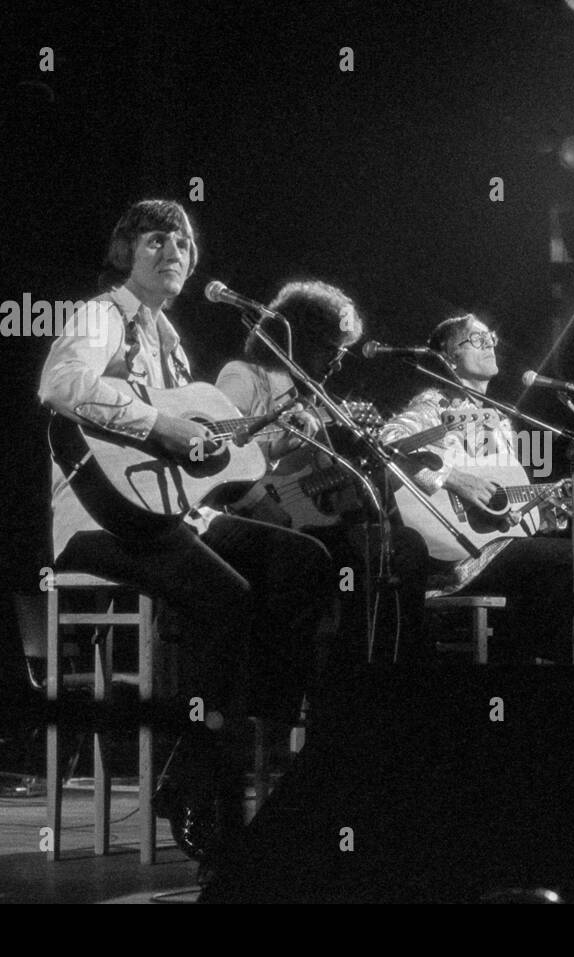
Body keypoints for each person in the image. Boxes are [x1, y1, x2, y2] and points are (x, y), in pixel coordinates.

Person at [37, 200, 335, 877]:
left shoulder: (168, 338)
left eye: (185, 241)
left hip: (168, 511)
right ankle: (201, 781)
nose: (174, 248)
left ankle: (255, 743)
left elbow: (200, 446)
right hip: (95, 518)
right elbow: (61, 386)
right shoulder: (100, 315)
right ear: (124, 250)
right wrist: (157, 428)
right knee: (226, 598)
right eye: (156, 238)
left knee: (303, 560)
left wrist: (248, 440)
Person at [215, 279, 431, 667]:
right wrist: (270, 468)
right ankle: (339, 682)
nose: (338, 361)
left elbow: (326, 491)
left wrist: (361, 483)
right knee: (361, 557)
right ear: (296, 340)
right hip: (249, 518)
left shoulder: (317, 400)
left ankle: (377, 676)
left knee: (401, 546)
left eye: (343, 351)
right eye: (331, 348)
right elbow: (220, 453)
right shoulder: (245, 376)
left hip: (308, 526)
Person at [379, 313, 574, 664]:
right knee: (572, 559)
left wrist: (552, 505)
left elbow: (512, 505)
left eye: (490, 337)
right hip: (455, 556)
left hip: (495, 545)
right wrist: (453, 479)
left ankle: (519, 662)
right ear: (449, 358)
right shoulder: (434, 405)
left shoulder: (501, 422)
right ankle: (526, 665)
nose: (490, 344)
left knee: (567, 559)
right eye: (476, 340)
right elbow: (389, 443)